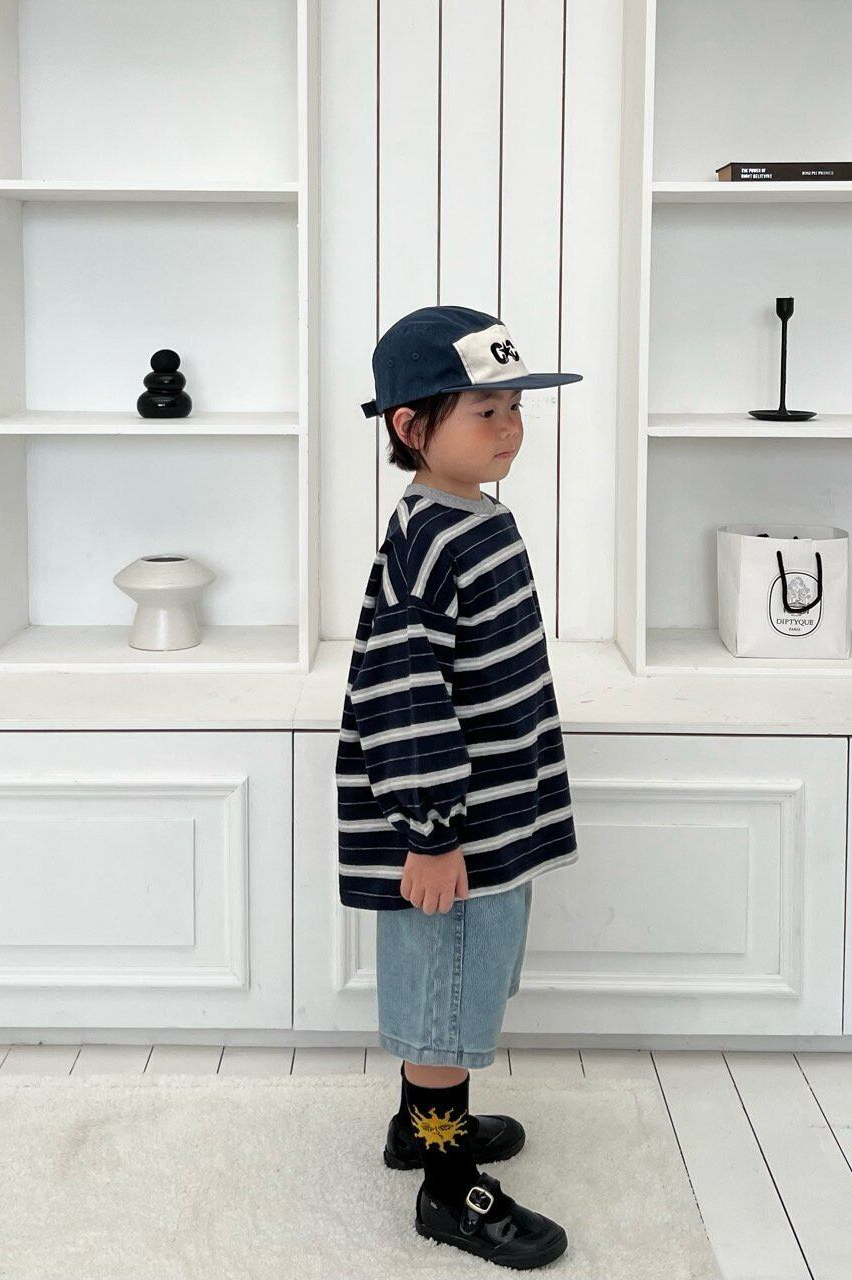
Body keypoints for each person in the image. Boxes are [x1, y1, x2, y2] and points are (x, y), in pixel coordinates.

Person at [336, 304, 583, 1269]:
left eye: (516, 407)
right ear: (411, 426)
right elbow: (402, 695)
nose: (511, 427)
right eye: (487, 411)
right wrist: (431, 831)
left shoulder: (473, 516)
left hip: (492, 813)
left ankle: (420, 1127)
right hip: (451, 830)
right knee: (443, 1005)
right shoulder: (427, 543)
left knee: (465, 985)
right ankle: (447, 1185)